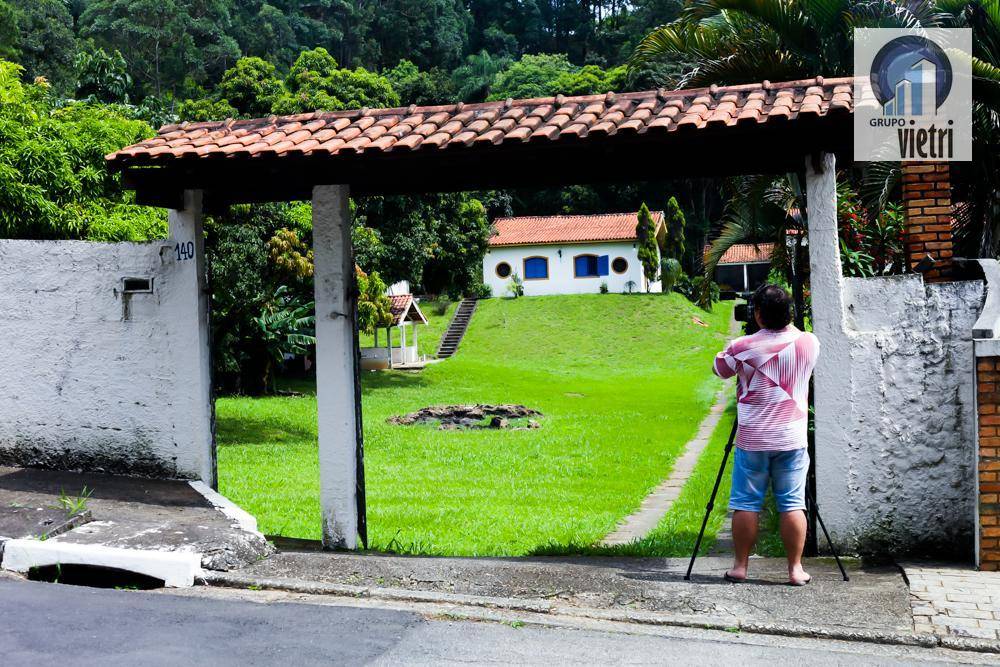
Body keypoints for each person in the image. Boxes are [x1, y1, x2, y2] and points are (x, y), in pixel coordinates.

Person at [712, 284, 820, 586]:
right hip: (791, 437)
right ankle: (796, 569)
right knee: (792, 502)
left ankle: (740, 567)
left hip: (753, 438)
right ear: (790, 313)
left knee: (746, 502)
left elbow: (719, 369)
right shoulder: (809, 343)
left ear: (757, 314)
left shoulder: (742, 346)